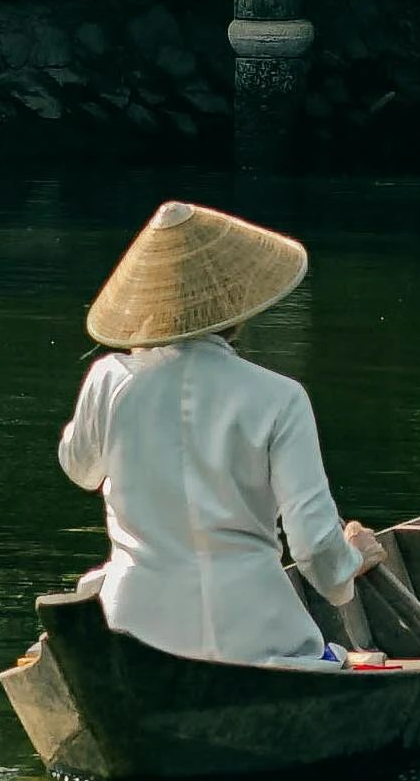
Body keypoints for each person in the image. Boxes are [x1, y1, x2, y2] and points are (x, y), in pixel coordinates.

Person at [61, 201, 402, 668]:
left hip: (131, 628)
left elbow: (80, 469)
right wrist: (352, 558)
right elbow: (315, 548)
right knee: (324, 655)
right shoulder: (279, 397)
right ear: (239, 307)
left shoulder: (109, 379)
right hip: (256, 638)